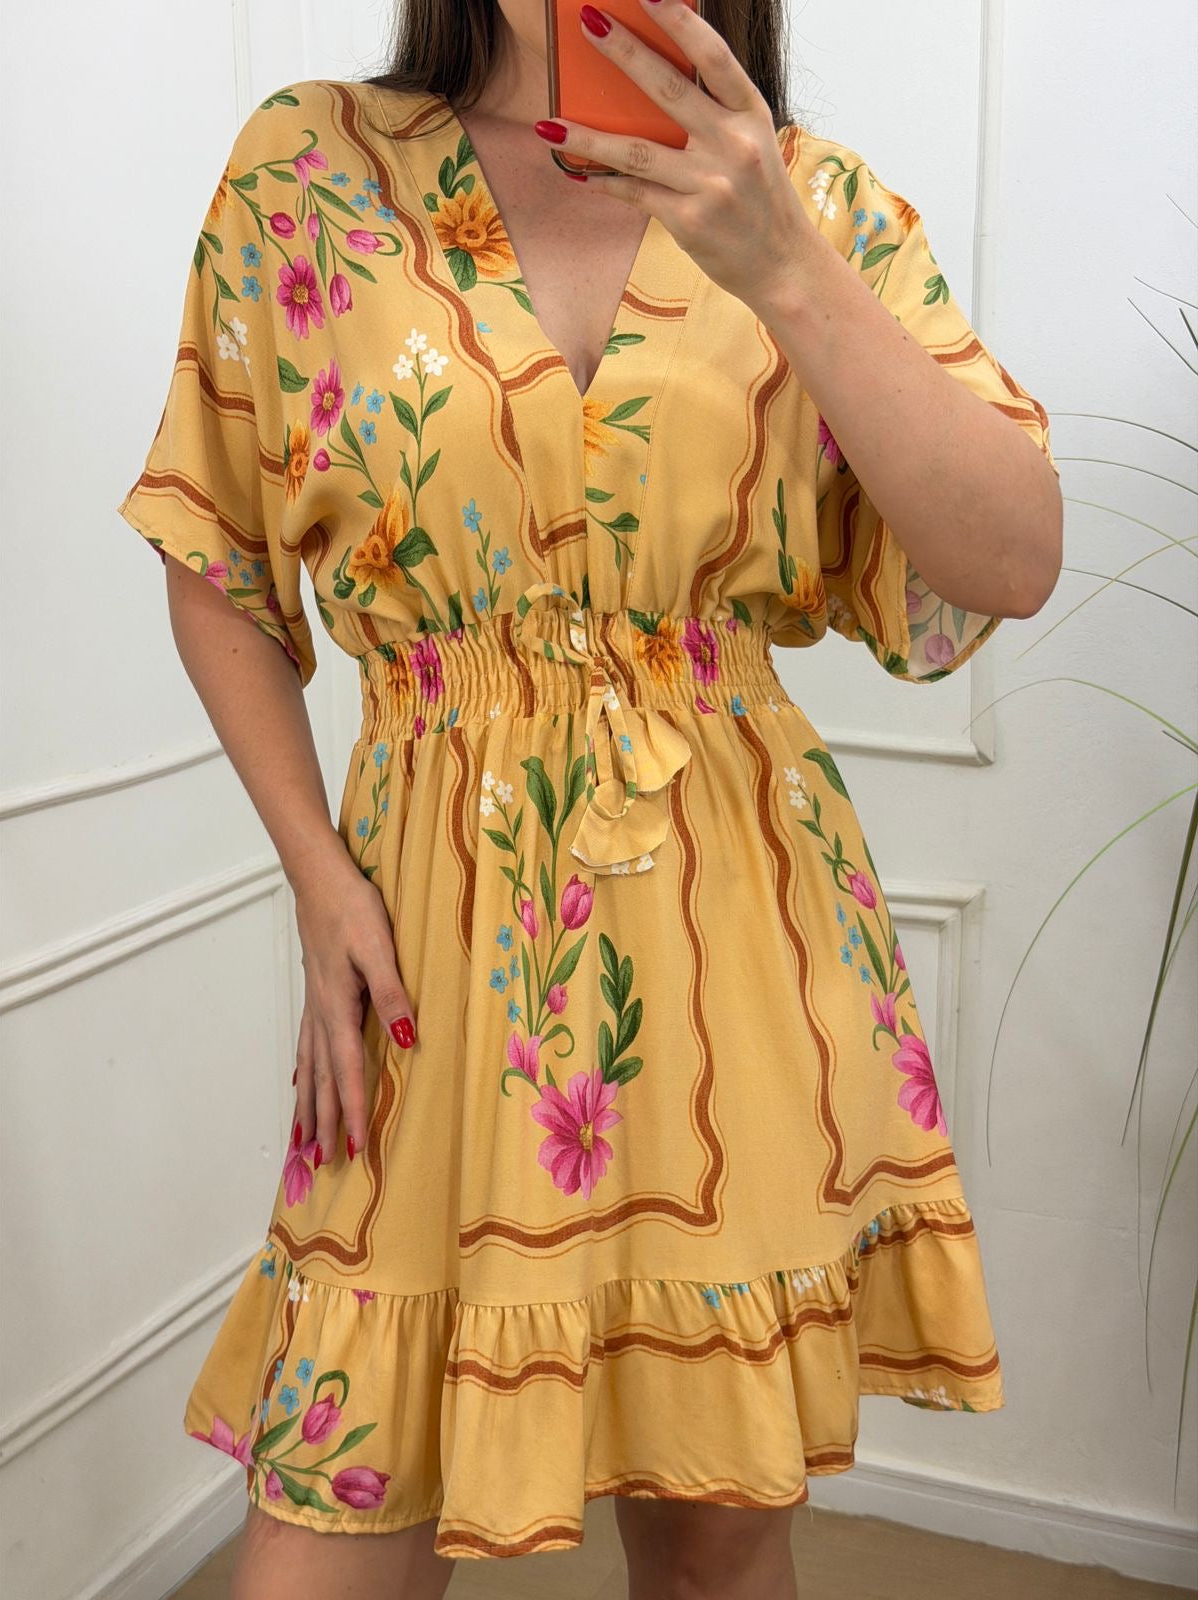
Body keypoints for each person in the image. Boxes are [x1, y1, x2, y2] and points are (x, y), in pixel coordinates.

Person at [116, 0, 1063, 1593]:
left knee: (711, 1551)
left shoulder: (808, 200)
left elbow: (1011, 557)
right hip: (428, 956)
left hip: (735, 956)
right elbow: (214, 555)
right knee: (325, 1535)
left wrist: (786, 265)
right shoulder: (309, 166)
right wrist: (315, 874)